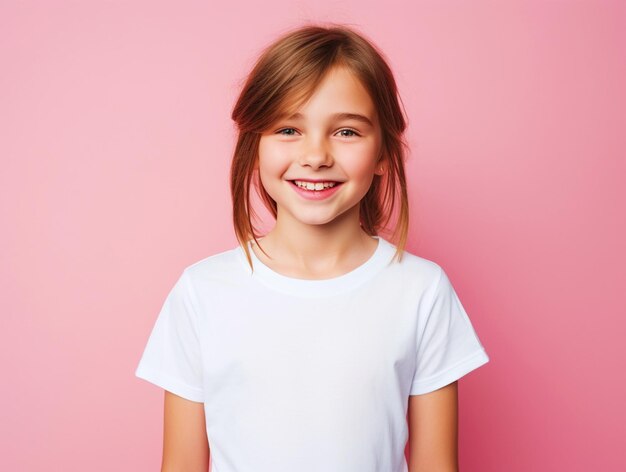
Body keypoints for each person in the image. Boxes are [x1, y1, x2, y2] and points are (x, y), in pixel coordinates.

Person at [135, 23, 490, 472]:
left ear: (384, 152)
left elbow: (436, 466)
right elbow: (182, 464)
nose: (316, 155)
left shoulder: (422, 290)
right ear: (254, 145)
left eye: (346, 132)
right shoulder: (202, 292)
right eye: (288, 129)